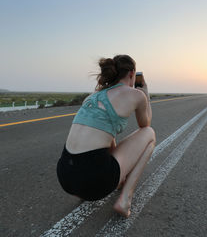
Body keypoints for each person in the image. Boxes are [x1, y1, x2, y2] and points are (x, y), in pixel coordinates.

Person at [56, 54, 155, 218]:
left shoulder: (92, 96)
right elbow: (145, 124)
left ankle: (111, 183)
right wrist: (145, 93)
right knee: (150, 134)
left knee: (105, 136)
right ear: (132, 74)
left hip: (66, 177)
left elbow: (107, 139)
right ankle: (125, 199)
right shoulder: (136, 95)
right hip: (94, 181)